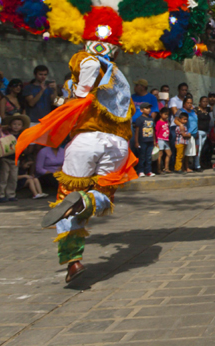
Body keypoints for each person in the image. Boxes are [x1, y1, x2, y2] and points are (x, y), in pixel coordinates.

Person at [17, 40, 137, 283]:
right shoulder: (120, 80)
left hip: (86, 140)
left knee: (66, 197)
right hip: (117, 144)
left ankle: (73, 260)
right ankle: (86, 200)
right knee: (103, 195)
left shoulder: (86, 61)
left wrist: (81, 92)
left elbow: (89, 62)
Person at [0, 113, 28, 202]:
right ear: (10, 125)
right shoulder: (6, 134)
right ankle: (0, 195)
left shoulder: (22, 136)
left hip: (16, 159)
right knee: (3, 177)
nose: (16, 126)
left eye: (19, 125)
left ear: (22, 126)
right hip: (5, 158)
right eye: (14, 124)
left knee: (13, 178)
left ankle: (11, 194)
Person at [134, 103, 156, 177]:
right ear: (141, 110)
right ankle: (140, 171)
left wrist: (154, 141)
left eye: (149, 108)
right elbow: (137, 131)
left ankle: (148, 171)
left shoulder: (151, 119)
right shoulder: (139, 119)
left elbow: (152, 130)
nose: (148, 109)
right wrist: (136, 142)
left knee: (149, 156)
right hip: (142, 141)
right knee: (142, 156)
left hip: (150, 141)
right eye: (146, 108)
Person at [195, 97, 211, 173]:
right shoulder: (196, 110)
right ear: (199, 102)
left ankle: (200, 163)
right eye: (203, 101)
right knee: (199, 149)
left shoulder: (207, 110)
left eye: (206, 102)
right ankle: (197, 165)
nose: (205, 103)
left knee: (203, 150)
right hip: (199, 132)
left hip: (206, 132)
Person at [155, 108, 173, 174]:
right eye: (165, 114)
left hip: (166, 140)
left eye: (167, 115)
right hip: (160, 140)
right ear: (160, 114)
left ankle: (166, 168)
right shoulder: (159, 122)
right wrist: (156, 142)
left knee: (169, 153)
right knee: (160, 154)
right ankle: (159, 169)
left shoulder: (166, 122)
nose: (166, 116)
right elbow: (156, 132)